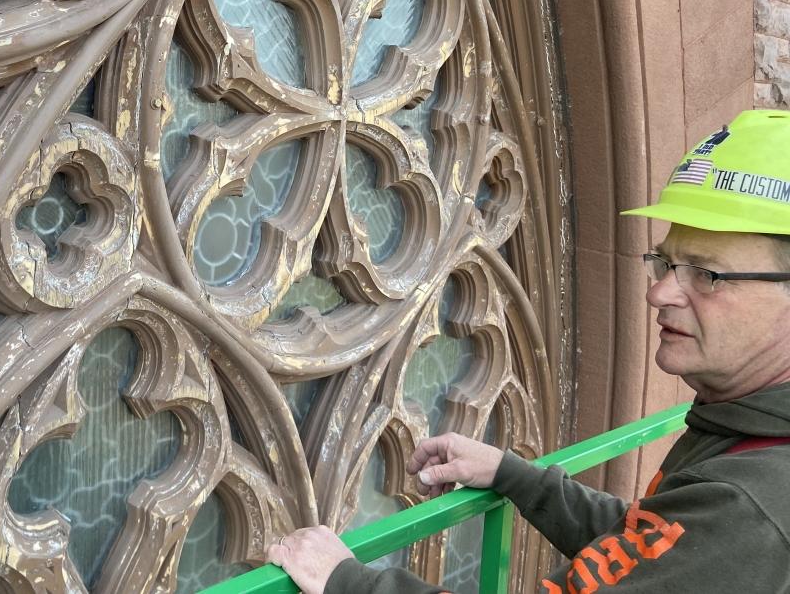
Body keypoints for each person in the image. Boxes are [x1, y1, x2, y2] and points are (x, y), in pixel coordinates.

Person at [267, 110, 790, 593]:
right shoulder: (746, 430)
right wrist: (514, 475)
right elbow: (653, 550)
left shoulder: (752, 511)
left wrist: (349, 583)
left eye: (707, 274)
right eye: (666, 264)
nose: (659, 293)